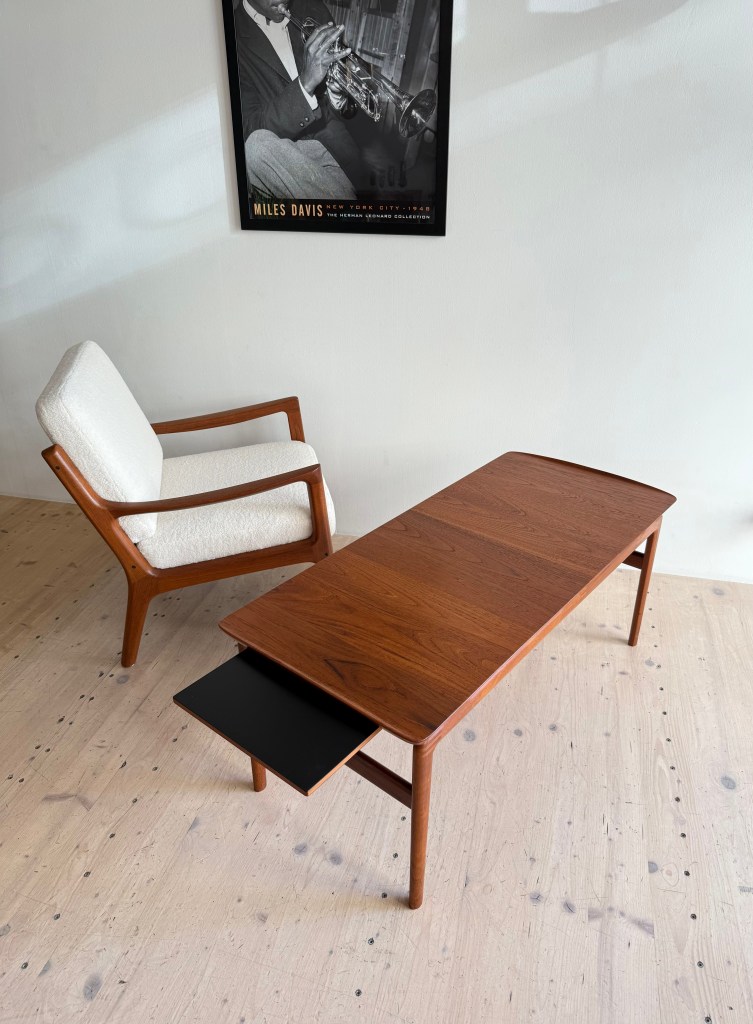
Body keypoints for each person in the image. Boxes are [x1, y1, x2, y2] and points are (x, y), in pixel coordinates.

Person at [234, 0, 363, 200]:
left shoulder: (314, 9)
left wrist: (338, 94)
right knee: (255, 147)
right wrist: (305, 84)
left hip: (334, 149)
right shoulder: (231, 37)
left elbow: (348, 108)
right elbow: (249, 128)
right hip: (278, 157)